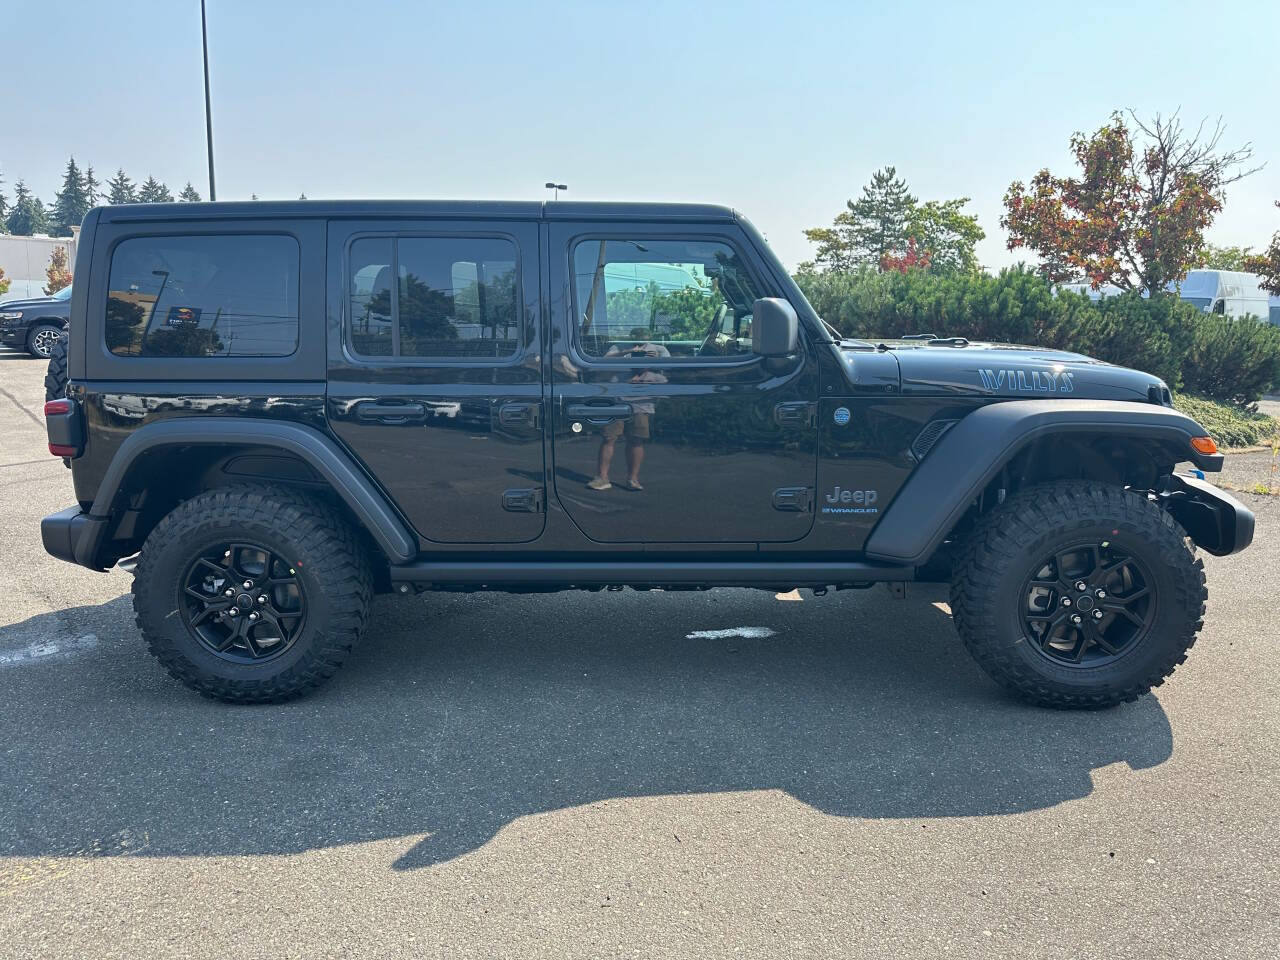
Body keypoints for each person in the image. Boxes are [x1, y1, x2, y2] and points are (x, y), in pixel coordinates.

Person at [587, 340, 669, 491]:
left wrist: (654, 360)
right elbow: (603, 365)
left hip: (642, 405)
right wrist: (626, 352)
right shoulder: (619, 348)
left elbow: (668, 371)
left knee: (636, 440)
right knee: (608, 437)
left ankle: (633, 479)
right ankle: (602, 477)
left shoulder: (659, 349)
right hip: (617, 403)